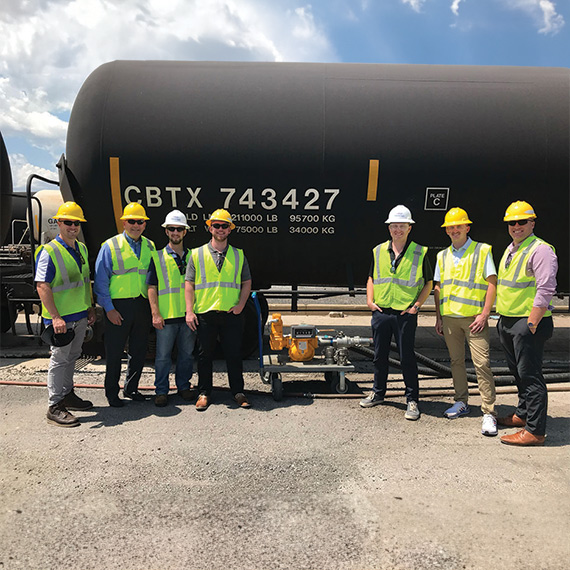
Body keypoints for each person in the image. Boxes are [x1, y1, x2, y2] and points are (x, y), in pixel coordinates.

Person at [360, 205, 433, 420]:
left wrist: (416, 306)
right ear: (389, 228)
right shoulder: (378, 250)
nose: (397, 230)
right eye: (394, 226)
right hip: (381, 312)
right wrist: (369, 301)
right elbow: (371, 277)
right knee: (379, 355)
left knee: (407, 358)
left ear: (409, 228)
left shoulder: (420, 252)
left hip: (405, 314)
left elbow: (428, 283)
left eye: (401, 226)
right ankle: (378, 393)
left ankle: (412, 400)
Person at [496, 201, 558, 446]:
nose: (516, 226)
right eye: (512, 222)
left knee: (530, 376)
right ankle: (523, 415)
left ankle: (535, 431)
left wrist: (531, 323)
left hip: (527, 322)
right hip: (509, 320)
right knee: (518, 374)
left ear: (532, 223)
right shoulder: (512, 249)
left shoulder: (540, 250)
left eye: (522, 221)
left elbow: (546, 288)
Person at [433, 207, 498, 436]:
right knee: (456, 361)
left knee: (482, 364)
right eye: (450, 227)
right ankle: (461, 401)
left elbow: (492, 283)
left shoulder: (481, 251)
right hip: (450, 319)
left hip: (474, 319)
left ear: (467, 228)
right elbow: (439, 288)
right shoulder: (442, 256)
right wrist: (439, 317)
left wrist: (484, 314)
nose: (453, 230)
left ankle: (489, 412)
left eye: (458, 226)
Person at [35, 202, 96, 427]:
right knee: (59, 360)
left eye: (76, 222)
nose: (72, 226)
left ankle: (67, 395)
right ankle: (55, 405)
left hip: (79, 314)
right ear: (59, 223)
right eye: (68, 222)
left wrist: (89, 307)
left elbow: (82, 281)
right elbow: (42, 285)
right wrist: (55, 317)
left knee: (72, 357)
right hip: (61, 319)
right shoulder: (49, 251)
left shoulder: (81, 248)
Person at [185, 209, 252, 411]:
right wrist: (190, 311)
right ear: (209, 227)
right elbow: (189, 284)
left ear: (230, 229)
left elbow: (247, 281)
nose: (220, 229)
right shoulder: (196, 254)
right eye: (216, 225)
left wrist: (241, 305)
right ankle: (204, 393)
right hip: (205, 313)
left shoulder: (238, 255)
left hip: (231, 314)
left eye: (224, 226)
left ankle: (238, 392)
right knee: (205, 356)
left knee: (233, 354)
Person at [94, 203, 156, 407]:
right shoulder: (110, 246)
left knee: (138, 350)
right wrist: (108, 309)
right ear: (124, 222)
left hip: (142, 304)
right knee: (114, 352)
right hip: (118, 307)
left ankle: (131, 388)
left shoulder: (150, 246)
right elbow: (101, 281)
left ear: (145, 224)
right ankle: (112, 393)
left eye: (140, 222)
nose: (136, 225)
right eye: (132, 221)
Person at [147, 210, 196, 407]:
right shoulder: (157, 257)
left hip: (187, 316)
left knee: (186, 356)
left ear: (185, 232)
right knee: (162, 358)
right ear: (166, 232)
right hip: (166, 317)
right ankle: (161, 391)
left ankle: (183, 387)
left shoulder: (194, 256)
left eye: (179, 229)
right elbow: (151, 287)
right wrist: (155, 313)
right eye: (171, 229)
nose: (175, 232)